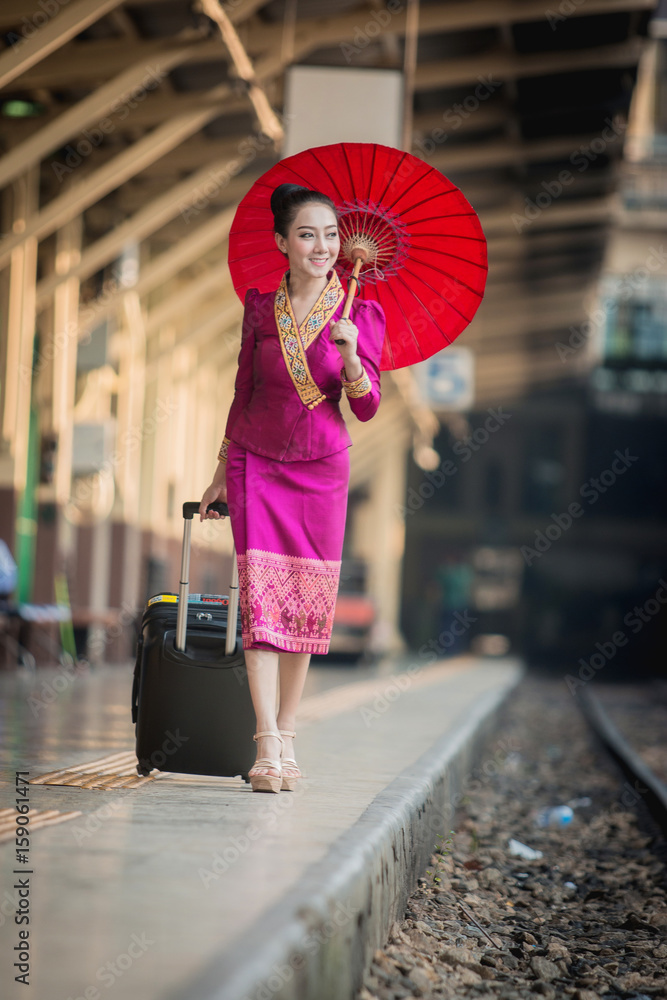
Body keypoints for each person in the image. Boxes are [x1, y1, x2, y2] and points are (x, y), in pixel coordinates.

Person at [198, 183, 386, 793]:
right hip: (257, 463)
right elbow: (242, 394)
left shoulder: (360, 315)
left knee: (306, 604)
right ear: (282, 242)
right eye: (308, 234)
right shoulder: (258, 307)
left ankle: (289, 731)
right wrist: (221, 471)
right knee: (261, 603)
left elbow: (366, 407)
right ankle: (265, 746)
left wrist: (353, 356)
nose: (323, 247)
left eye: (331, 235)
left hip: (322, 469)